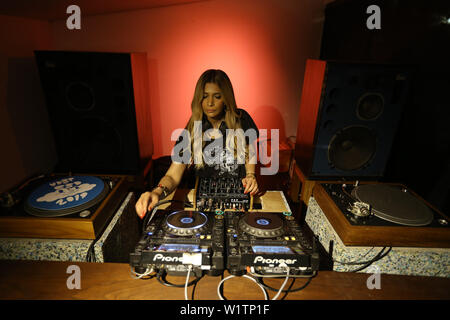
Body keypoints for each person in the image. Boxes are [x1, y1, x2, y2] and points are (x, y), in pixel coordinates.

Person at [135, 69, 259, 219]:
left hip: (237, 203)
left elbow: (250, 152)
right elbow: (173, 175)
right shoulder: (193, 128)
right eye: (205, 96)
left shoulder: (242, 118)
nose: (210, 103)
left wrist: (251, 176)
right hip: (203, 206)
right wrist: (157, 191)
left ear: (226, 99)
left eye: (217, 96)